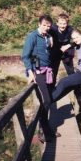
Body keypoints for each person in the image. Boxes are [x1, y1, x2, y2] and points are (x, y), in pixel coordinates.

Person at [22, 14, 60, 143]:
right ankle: (43, 130)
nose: (46, 28)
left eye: (49, 26)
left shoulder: (47, 36)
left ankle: (45, 129)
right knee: (47, 100)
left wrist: (50, 41)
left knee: (48, 99)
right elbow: (25, 56)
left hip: (47, 71)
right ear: (39, 24)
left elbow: (46, 53)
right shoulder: (32, 36)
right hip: (37, 72)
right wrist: (30, 71)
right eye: (44, 25)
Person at [52, 28, 81, 102]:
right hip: (80, 72)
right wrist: (67, 46)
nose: (76, 39)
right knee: (67, 87)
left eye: (77, 37)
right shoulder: (78, 45)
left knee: (63, 82)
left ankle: (47, 103)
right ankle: (50, 100)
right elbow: (73, 43)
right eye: (73, 38)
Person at [49, 13, 74, 87]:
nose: (62, 26)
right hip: (55, 52)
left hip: (67, 52)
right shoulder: (52, 29)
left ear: (67, 23)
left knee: (71, 71)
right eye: (60, 23)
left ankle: (79, 93)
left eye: (64, 24)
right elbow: (43, 33)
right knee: (53, 72)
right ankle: (51, 91)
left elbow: (78, 39)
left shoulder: (70, 30)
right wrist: (49, 37)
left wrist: (68, 45)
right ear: (57, 23)